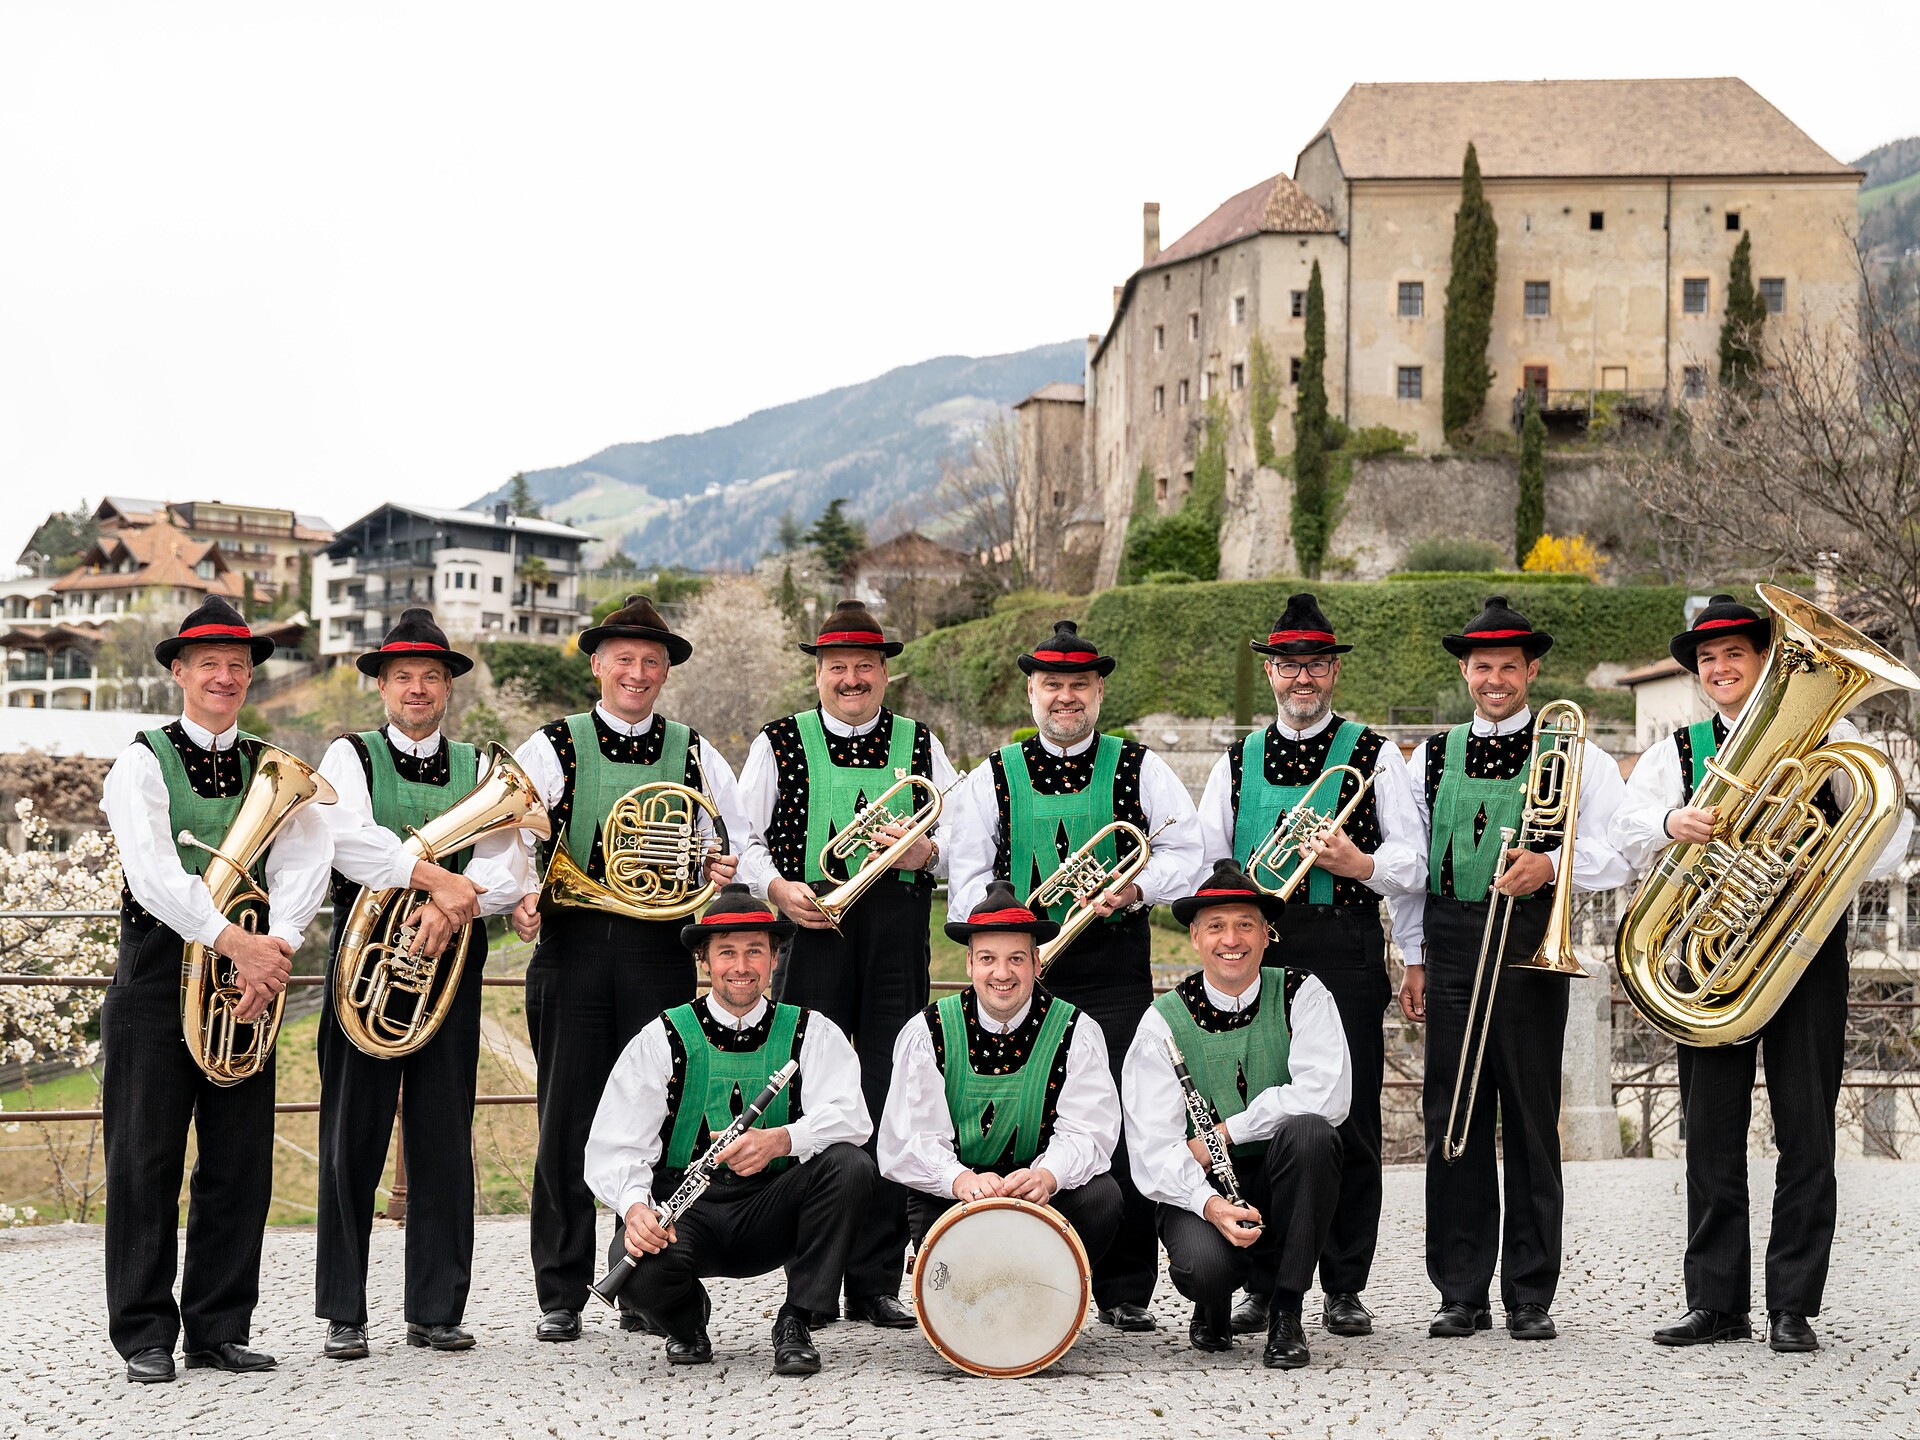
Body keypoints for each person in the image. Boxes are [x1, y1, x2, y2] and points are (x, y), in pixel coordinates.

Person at [1609, 592, 1912, 1352]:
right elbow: (1622, 829)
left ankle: (1792, 1305)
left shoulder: (1831, 735)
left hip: (1802, 955)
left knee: (1807, 1128)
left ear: (1767, 660)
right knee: (1710, 1130)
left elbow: (1894, 838)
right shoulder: (1676, 752)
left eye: (1733, 654)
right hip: (1707, 961)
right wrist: (1674, 824)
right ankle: (1716, 1303)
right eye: (1707, 659)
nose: (1719, 668)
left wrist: (1826, 855)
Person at [97, 597, 333, 1384]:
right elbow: (154, 873)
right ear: (179, 672)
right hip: (160, 973)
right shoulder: (142, 759)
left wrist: (278, 948)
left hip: (248, 975)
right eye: (210, 664)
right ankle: (144, 1333)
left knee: (240, 1161)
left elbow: (305, 860)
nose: (226, 676)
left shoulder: (273, 762)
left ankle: (218, 1328)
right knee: (146, 1160)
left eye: (238, 665)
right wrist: (232, 940)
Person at [946, 619, 1202, 1332]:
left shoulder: (1140, 766)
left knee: (1120, 1117)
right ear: (1031, 692)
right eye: (1052, 685)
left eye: (1080, 686)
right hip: (1023, 972)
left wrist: (1138, 888)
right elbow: (966, 877)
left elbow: (1191, 851)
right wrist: (1009, 926)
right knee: (1026, 1114)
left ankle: (1124, 1288)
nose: (1066, 697)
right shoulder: (992, 774)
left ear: (1099, 692)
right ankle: (1018, 1273)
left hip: (1114, 965)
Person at [507, 595, 749, 1341]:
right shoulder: (552, 746)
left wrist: (716, 866)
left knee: (655, 1120)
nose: (637, 673)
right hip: (573, 947)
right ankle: (560, 1290)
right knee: (566, 1121)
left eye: (651, 661)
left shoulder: (696, 751)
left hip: (656, 953)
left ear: (665, 671)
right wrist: (522, 892)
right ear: (597, 664)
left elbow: (729, 840)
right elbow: (505, 831)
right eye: (624, 659)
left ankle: (637, 1279)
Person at [1391, 595, 1630, 1342]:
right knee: (1450, 1117)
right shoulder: (1428, 756)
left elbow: (1622, 851)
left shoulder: (1574, 755)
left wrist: (1551, 863)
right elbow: (1412, 869)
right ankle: (1459, 1289)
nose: (1495, 678)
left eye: (1509, 666)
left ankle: (1530, 1291)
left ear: (1532, 670)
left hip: (1531, 944)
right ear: (1465, 671)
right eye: (1482, 666)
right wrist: (1415, 955)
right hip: (1454, 941)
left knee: (1529, 1117)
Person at [1195, 592, 1423, 1339]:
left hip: (1344, 943)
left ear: (1332, 672)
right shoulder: (1236, 762)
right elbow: (1208, 865)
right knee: (1261, 1120)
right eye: (1290, 664)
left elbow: (1412, 860)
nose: (1303, 677)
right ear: (1271, 673)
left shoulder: (1374, 753)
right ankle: (1266, 1279)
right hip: (1258, 952)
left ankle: (1345, 1284)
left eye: (1316, 665)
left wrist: (1359, 862)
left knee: (1348, 1121)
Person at [313, 609, 534, 1359]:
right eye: (403, 676)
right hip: (364, 968)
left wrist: (460, 902)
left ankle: (436, 1308)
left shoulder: (480, 768)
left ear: (449, 689)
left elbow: (509, 866)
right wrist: (436, 880)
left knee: (444, 1137)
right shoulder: (348, 755)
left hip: (451, 968)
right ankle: (346, 1311)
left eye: (431, 677)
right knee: (353, 1138)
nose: (417, 689)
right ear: (381, 685)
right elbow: (345, 842)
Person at [737, 600, 959, 1327]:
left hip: (896, 930)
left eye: (866, 666)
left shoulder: (922, 744)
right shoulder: (778, 743)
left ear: (886, 673)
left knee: (895, 1093)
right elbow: (744, 837)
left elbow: (960, 837)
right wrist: (776, 889)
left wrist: (928, 852)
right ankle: (813, 1284)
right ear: (820, 674)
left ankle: (874, 1282)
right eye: (839, 668)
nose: (852, 679)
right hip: (813, 925)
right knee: (813, 1096)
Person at [584, 885, 875, 1375]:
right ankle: (687, 1323)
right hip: (691, 1210)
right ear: (704, 961)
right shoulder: (662, 1037)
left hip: (775, 1206)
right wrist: (637, 1209)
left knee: (851, 1166)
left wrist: (783, 1139)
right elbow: (615, 1145)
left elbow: (853, 1117)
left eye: (755, 951)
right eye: (727, 953)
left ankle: (797, 1319)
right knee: (635, 1263)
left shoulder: (811, 1031)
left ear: (775, 959)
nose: (742, 966)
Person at [1122, 860, 1351, 1368]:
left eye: (1246, 924)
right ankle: (1213, 1299)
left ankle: (1286, 1309)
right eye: (1217, 926)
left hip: (1281, 1172)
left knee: (1312, 1134)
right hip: (1201, 1184)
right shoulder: (1161, 1022)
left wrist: (1226, 1131)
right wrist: (1210, 1205)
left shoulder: (1303, 993)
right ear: (1195, 938)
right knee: (1205, 1267)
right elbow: (1153, 1151)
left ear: (1268, 934)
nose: (1233, 939)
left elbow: (1328, 1097)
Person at [877, 879, 1123, 1265]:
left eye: (1017, 959)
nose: (1002, 973)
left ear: (1037, 963)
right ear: (970, 963)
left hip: (1040, 1192)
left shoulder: (1077, 1031)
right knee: (923, 1201)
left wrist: (1046, 1176)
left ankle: (1047, 1295)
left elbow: (1089, 1131)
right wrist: (962, 1180)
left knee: (1102, 1196)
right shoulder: (927, 1031)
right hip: (957, 1193)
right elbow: (910, 1140)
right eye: (988, 958)